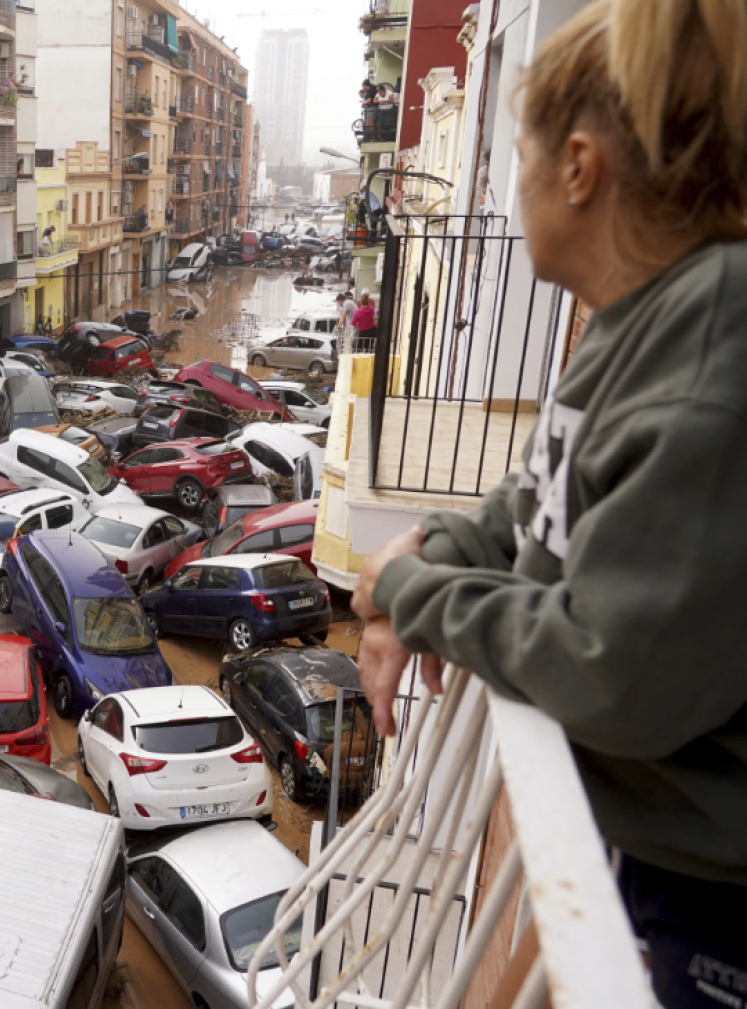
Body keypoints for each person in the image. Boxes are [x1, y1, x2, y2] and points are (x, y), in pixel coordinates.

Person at [349, 1, 747, 1006]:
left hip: (720, 905)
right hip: (663, 860)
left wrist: (416, 591)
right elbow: (532, 503)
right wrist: (429, 550)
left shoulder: (713, 336)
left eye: (515, 157)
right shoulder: (636, 319)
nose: (506, 186)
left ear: (577, 168)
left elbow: (614, 669)